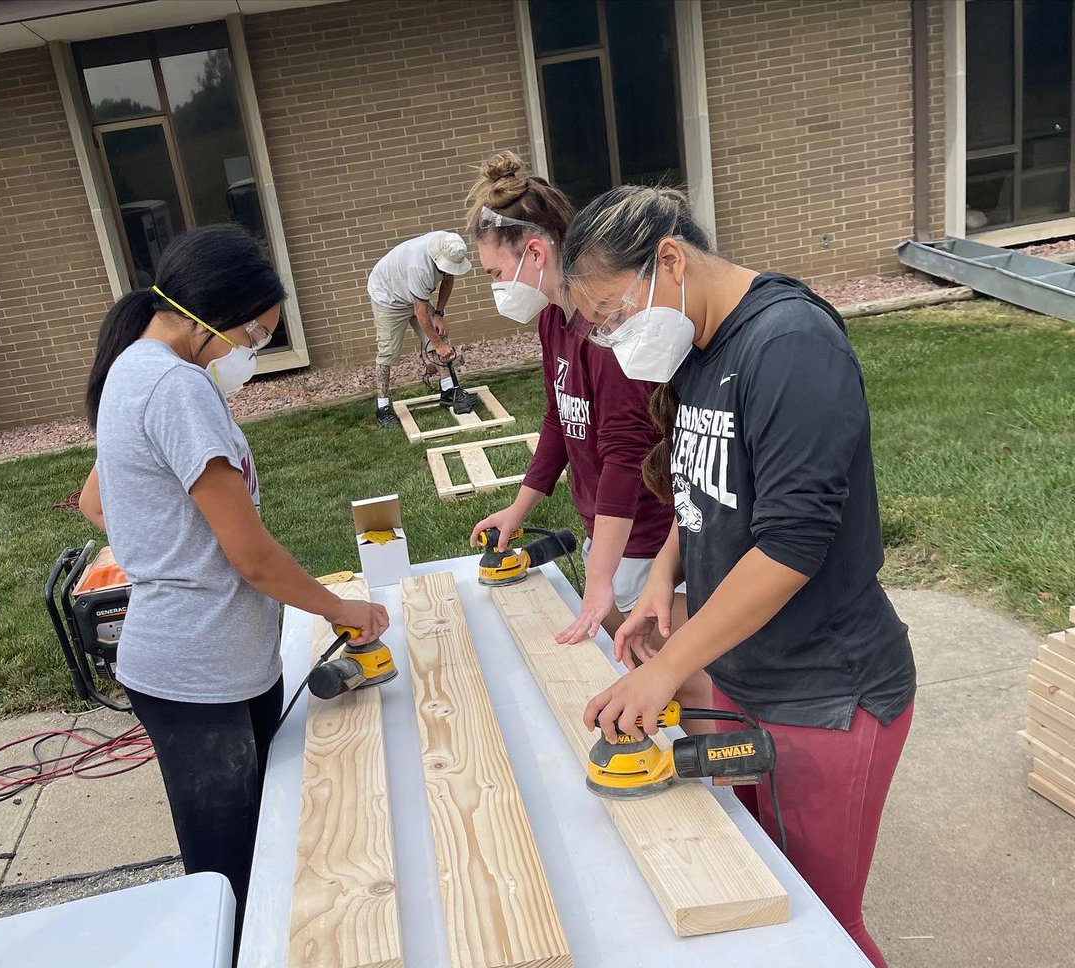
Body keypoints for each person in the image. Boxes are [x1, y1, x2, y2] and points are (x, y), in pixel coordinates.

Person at [561, 185, 916, 968]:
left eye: (615, 314)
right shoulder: (700, 346)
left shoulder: (790, 345)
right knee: (762, 902)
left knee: (822, 933)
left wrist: (671, 673)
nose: (615, 339)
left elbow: (792, 544)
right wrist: (660, 583)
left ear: (671, 260)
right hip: (750, 681)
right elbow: (703, 490)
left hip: (828, 696)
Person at [77, 224, 389, 944]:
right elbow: (249, 555)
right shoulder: (174, 387)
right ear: (214, 311)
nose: (252, 352)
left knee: (260, 844)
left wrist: (166, 550)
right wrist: (343, 608)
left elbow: (100, 501)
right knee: (236, 880)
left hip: (210, 665)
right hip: (198, 678)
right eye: (255, 335)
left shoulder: (134, 367)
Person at [463, 153, 699, 684]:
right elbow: (559, 416)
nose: (496, 288)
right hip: (608, 530)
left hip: (645, 531)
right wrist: (519, 509)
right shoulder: (553, 319)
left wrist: (600, 576)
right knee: (638, 665)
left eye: (496, 274)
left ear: (536, 252)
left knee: (672, 672)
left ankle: (720, 760)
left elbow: (625, 451)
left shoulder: (604, 325)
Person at [368, 230, 476, 427]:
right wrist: (438, 344)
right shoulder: (420, 266)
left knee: (438, 337)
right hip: (388, 297)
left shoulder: (448, 244)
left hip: (413, 293)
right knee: (387, 352)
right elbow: (419, 311)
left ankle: (448, 391)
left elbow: (448, 279)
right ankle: (382, 408)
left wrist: (439, 314)